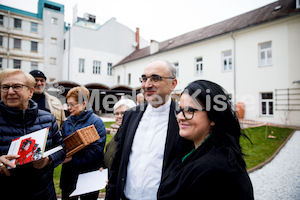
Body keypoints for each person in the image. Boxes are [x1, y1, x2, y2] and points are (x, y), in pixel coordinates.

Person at [106, 60, 193, 200]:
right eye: (144, 79)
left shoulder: (184, 118)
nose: (147, 85)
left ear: (173, 84)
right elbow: (118, 161)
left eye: (155, 78)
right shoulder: (130, 116)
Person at [157, 80, 254, 200]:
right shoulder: (188, 149)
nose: (180, 117)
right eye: (180, 110)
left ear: (213, 117)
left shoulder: (215, 169)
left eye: (190, 110)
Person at [0, 69, 66, 200]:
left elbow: (62, 149)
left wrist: (48, 160)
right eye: (5, 87)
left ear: (30, 92)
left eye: (17, 87)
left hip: (44, 195)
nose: (10, 92)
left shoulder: (48, 119)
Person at [60, 86, 106, 200]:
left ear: (84, 104)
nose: (69, 108)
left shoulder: (96, 122)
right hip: (69, 174)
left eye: (72, 104)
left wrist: (72, 159)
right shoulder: (67, 122)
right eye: (68, 104)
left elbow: (97, 150)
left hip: (88, 173)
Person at [104, 98, 136, 171]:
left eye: (123, 113)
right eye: (117, 113)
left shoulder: (134, 136)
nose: (119, 116)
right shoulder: (118, 134)